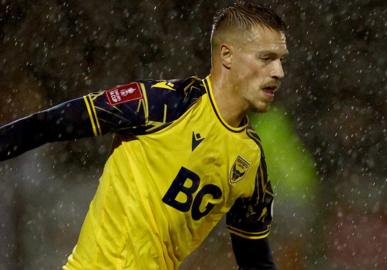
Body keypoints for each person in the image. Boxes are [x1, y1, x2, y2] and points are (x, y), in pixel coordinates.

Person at [0, 1, 288, 269]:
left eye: (281, 60)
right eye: (266, 58)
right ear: (227, 54)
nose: (279, 72)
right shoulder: (164, 104)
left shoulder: (251, 162)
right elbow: (50, 123)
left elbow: (255, 260)